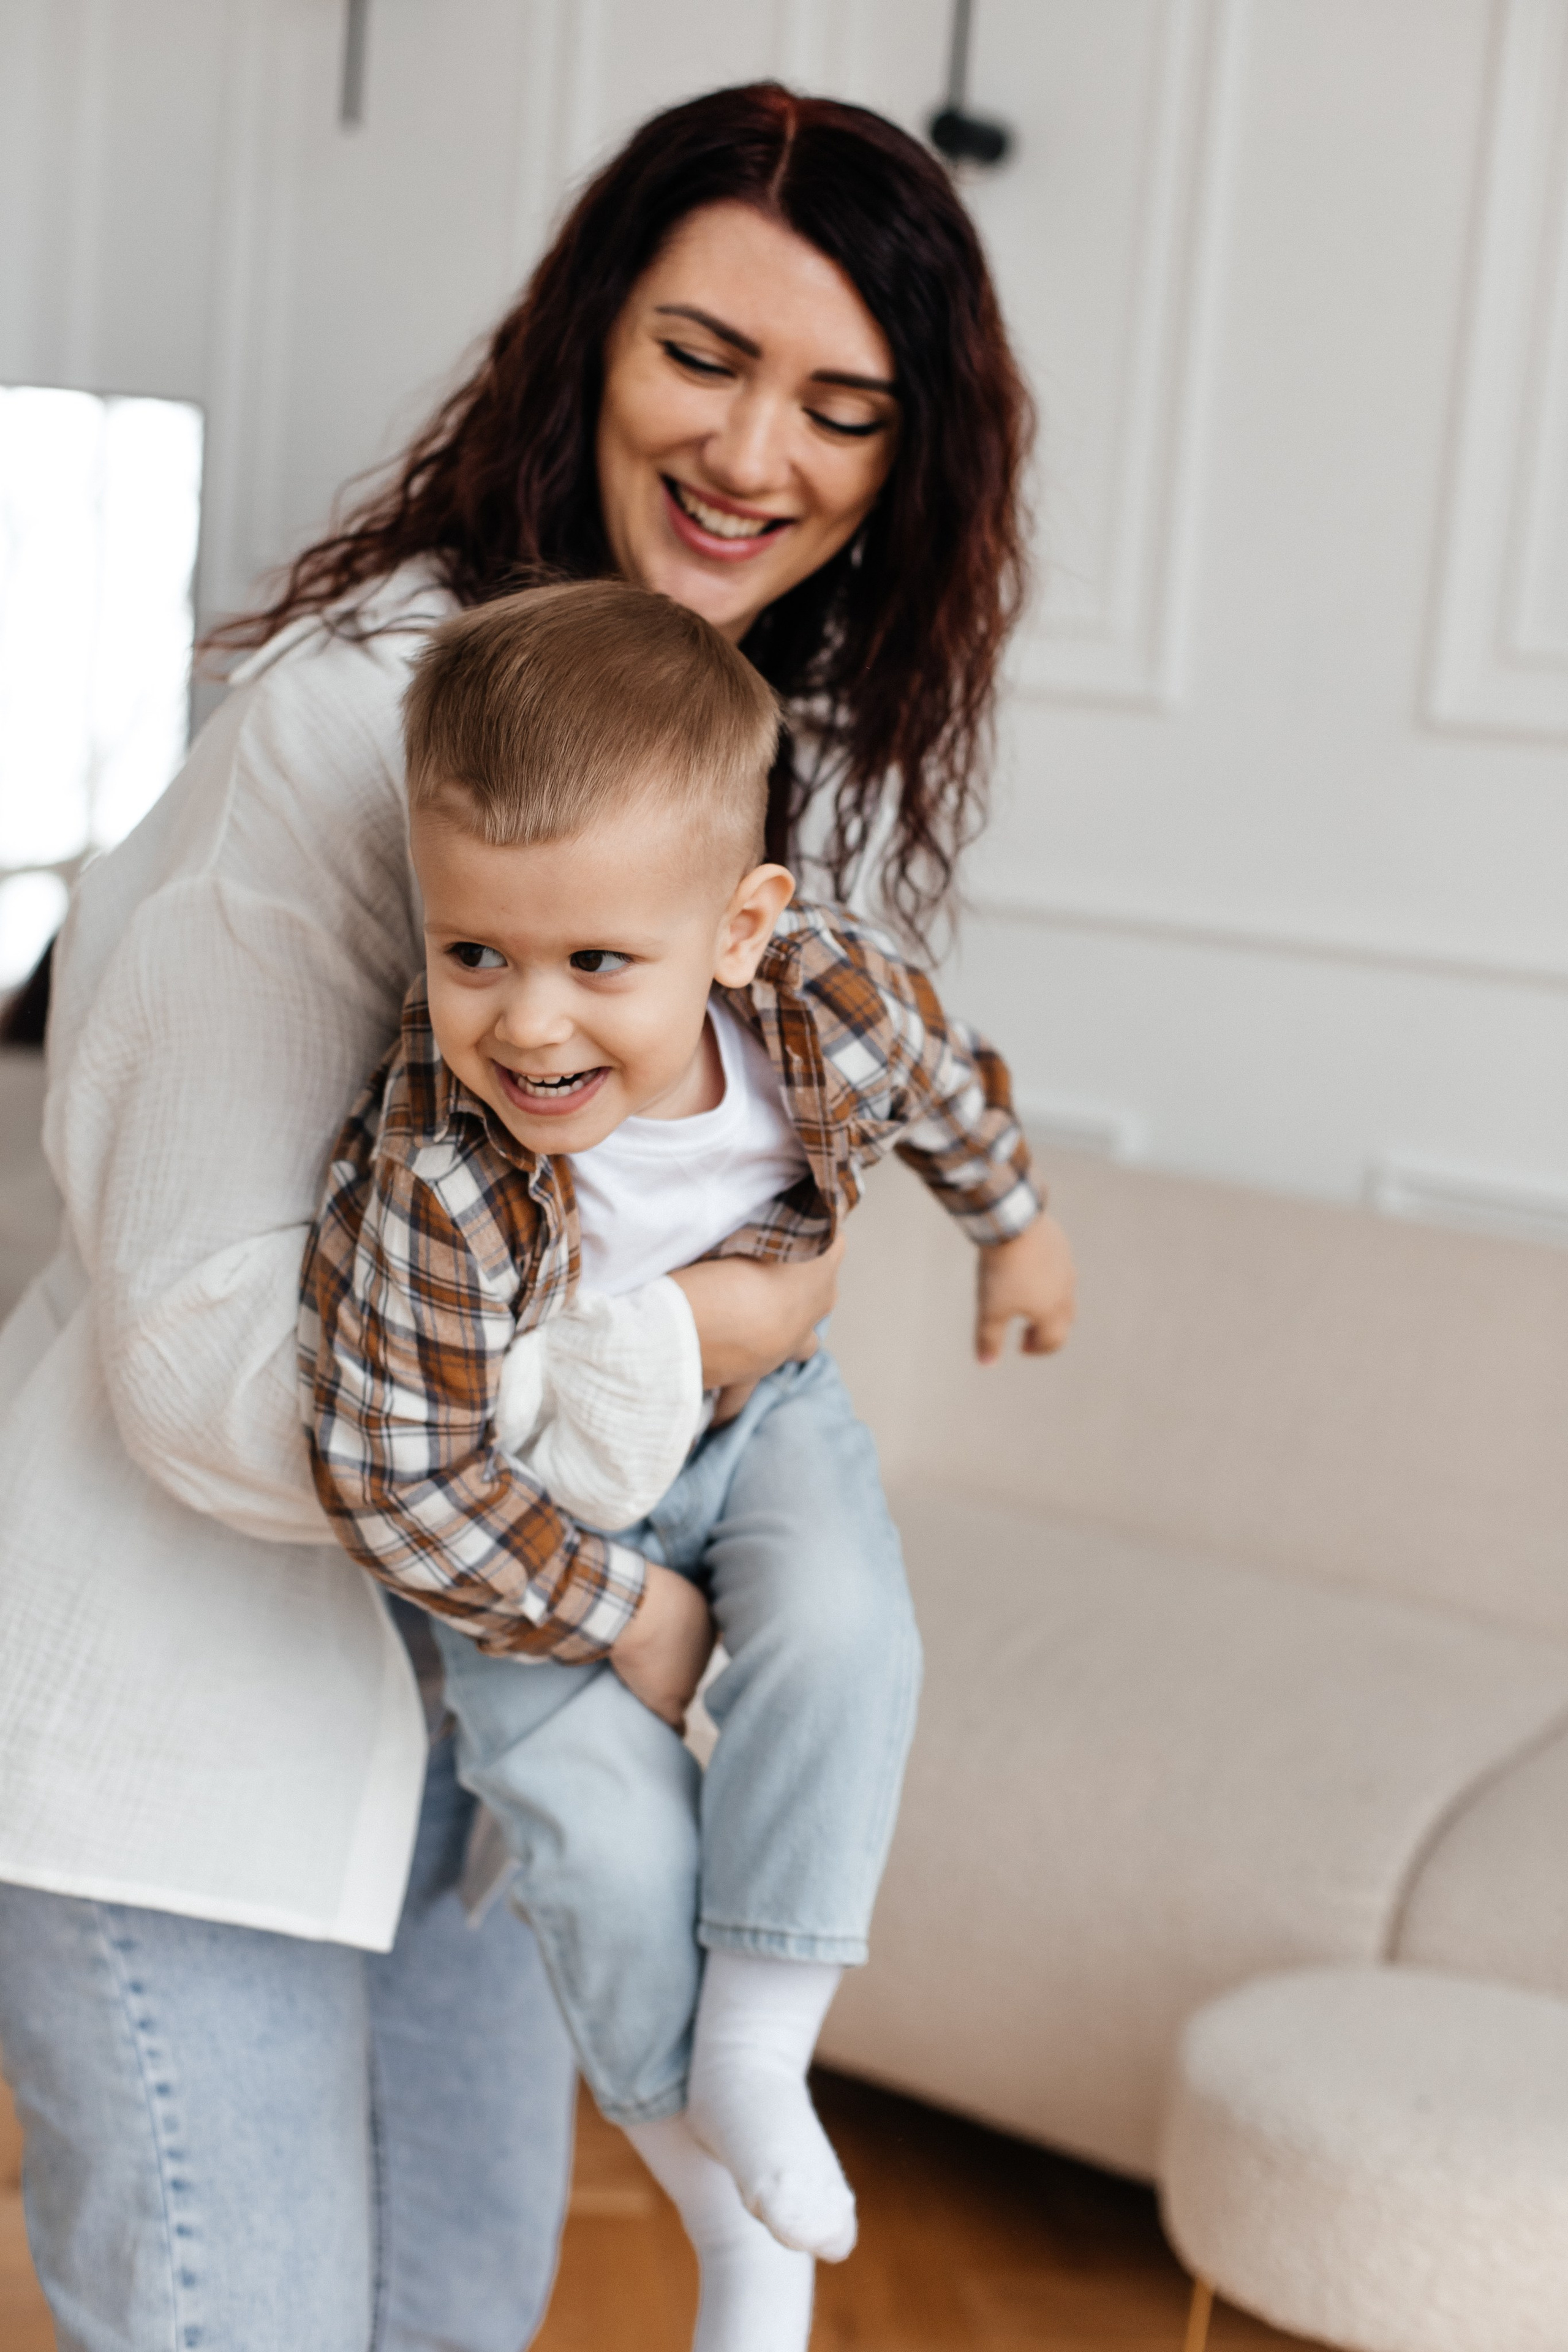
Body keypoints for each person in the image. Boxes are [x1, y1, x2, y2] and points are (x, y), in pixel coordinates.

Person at [0, 80, 1055, 2352]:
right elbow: (195, 1367)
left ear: (908, 463)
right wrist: (696, 1370)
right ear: (587, 340)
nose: (756, 453)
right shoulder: (348, 726)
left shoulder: (705, 758)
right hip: (189, 1740)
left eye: (843, 404)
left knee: (464, 2318)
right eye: (705, 355)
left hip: (466, 1749)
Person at [301, 582, 1074, 2352]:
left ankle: (764, 2047)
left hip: (764, 1423)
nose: (532, 1026)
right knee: (606, 1845)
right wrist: (616, 1609)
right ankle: (724, 2214)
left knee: (847, 1636)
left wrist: (1017, 1234)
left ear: (739, 929)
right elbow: (390, 1473)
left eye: (597, 965)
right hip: (533, 1522)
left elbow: (947, 1088)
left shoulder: (822, 1004)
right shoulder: (436, 1178)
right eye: (472, 952)